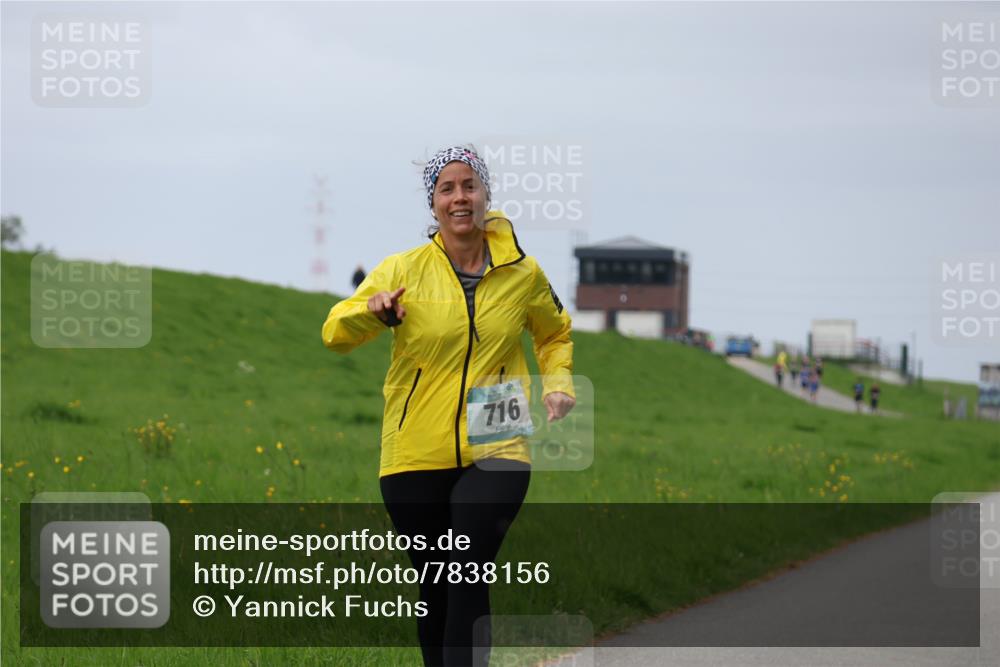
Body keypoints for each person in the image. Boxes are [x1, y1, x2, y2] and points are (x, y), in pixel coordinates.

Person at [321, 145, 575, 667]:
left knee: (467, 568)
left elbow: (554, 333)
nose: (460, 197)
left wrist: (558, 382)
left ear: (485, 195)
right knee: (437, 584)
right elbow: (334, 333)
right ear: (433, 203)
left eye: (469, 186)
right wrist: (373, 313)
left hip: (498, 440)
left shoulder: (523, 273)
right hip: (415, 449)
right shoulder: (403, 269)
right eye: (447, 188)